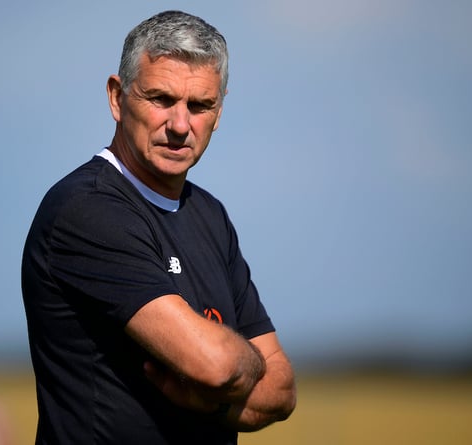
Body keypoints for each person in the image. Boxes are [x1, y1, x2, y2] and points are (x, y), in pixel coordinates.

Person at [21, 10, 296, 445]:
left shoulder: (210, 215)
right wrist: (245, 364)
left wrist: (216, 403)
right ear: (117, 97)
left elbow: (282, 392)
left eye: (200, 105)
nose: (181, 125)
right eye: (161, 99)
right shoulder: (87, 210)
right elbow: (215, 365)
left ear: (219, 112)